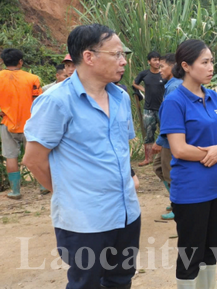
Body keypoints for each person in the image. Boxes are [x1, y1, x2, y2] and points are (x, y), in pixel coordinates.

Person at [22, 24, 141, 289]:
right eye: (117, 55)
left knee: (121, 279)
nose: (123, 62)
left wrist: (129, 177)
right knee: (86, 283)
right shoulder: (56, 101)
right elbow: (33, 159)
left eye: (124, 55)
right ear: (89, 57)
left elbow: (118, 148)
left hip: (126, 213)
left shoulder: (120, 97)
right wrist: (66, 193)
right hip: (85, 220)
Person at [159, 39, 217, 289]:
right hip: (191, 191)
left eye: (212, 61)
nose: (211, 66)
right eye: (204, 62)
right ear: (186, 65)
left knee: (211, 248)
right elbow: (179, 149)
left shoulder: (212, 96)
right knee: (190, 254)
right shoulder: (174, 101)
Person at [0, 48, 43, 199]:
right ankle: (43, 186)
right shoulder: (32, 78)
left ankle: (16, 191)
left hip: (7, 123)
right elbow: (39, 101)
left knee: (10, 157)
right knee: (35, 155)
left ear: (3, 61)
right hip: (30, 123)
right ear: (20, 62)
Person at [152, 53, 182, 220]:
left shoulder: (173, 87)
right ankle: (175, 201)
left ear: (172, 67)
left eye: (162, 66)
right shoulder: (172, 85)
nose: (160, 69)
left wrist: (159, 141)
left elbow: (171, 119)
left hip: (170, 141)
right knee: (159, 168)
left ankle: (179, 206)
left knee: (170, 173)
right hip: (168, 139)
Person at [133, 51, 165, 166]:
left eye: (158, 60)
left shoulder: (163, 74)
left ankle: (165, 157)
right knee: (148, 134)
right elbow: (134, 83)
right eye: (154, 60)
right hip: (148, 108)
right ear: (149, 61)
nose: (157, 62)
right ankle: (148, 158)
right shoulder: (144, 74)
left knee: (166, 133)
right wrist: (142, 89)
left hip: (162, 109)